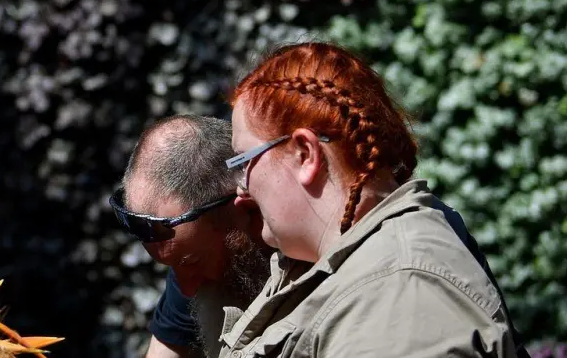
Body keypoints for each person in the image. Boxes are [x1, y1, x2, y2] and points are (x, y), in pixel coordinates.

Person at [220, 41, 526, 358]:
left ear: (305, 155)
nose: (241, 190)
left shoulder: (399, 292)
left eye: (245, 162)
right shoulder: (358, 270)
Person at [114, 115, 275, 357]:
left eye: (192, 262)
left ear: (247, 206)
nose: (187, 289)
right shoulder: (195, 268)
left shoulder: (324, 258)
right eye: (175, 266)